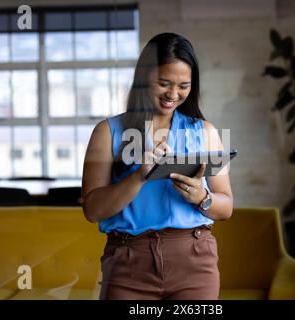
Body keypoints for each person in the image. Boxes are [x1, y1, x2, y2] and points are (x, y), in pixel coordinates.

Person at [81, 32, 233, 300]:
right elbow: (92, 210)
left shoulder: (205, 132)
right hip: (128, 261)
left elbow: (226, 207)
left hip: (194, 261)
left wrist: (202, 197)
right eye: (164, 83)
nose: (173, 94)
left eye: (183, 86)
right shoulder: (108, 132)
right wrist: (138, 175)